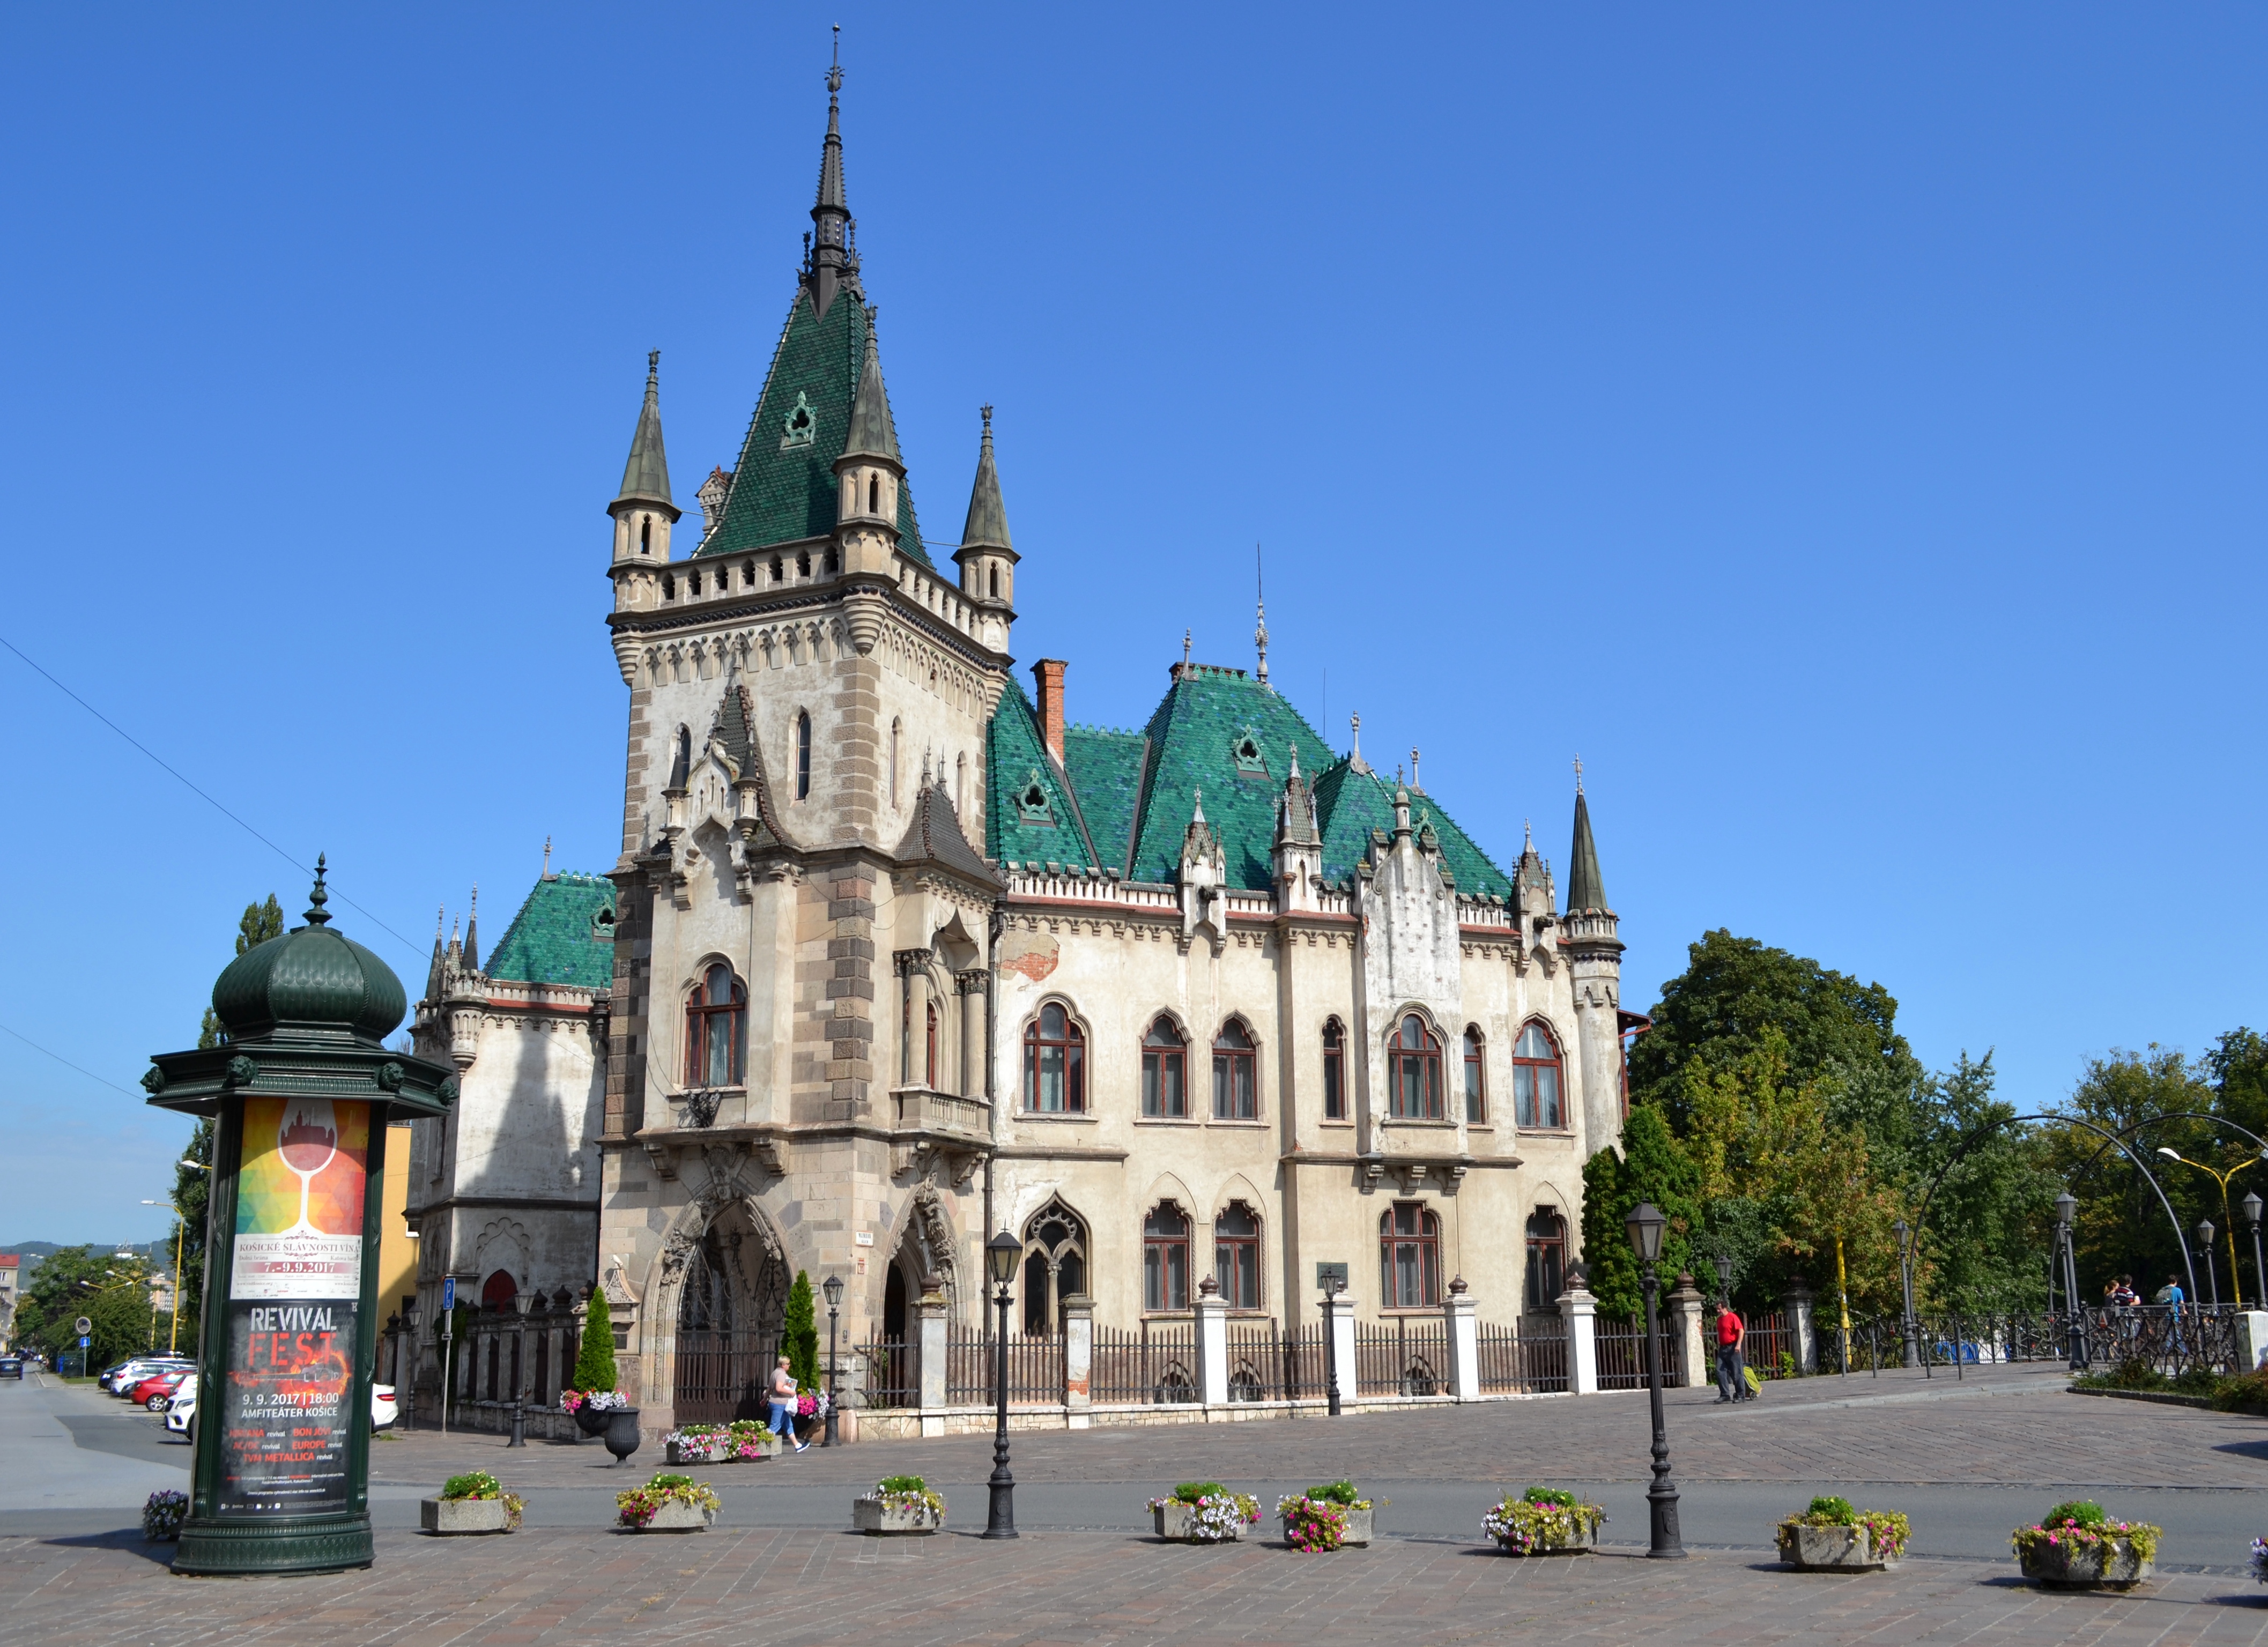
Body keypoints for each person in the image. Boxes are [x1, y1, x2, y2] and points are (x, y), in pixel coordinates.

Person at [768, 1355, 809, 1452]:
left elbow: (769, 1388)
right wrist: (791, 1392)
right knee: (774, 1426)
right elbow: (778, 1388)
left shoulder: (774, 1373)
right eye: (788, 1364)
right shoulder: (782, 1375)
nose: (789, 1366)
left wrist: (764, 1399)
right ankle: (759, 1444)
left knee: (788, 1425)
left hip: (777, 1403)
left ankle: (797, 1445)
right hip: (780, 1404)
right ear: (783, 1365)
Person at [1714, 1299, 1747, 1404]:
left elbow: (1741, 1330)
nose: (1718, 1311)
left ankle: (1741, 1395)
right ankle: (1725, 1395)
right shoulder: (1719, 1320)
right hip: (1723, 1348)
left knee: (1737, 1373)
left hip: (1733, 1348)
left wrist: (1738, 1344)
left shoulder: (1733, 1317)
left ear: (1725, 1308)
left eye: (1719, 1309)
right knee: (1720, 1372)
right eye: (1717, 1309)